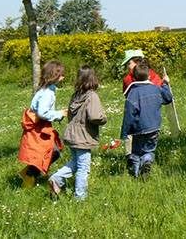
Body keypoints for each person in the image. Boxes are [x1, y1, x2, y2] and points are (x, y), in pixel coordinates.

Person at [48, 66, 107, 199]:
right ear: (93, 78)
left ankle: (57, 179)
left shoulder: (76, 95)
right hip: (84, 135)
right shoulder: (92, 96)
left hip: (72, 134)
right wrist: (104, 119)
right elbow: (95, 117)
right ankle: (80, 196)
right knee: (83, 168)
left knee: (76, 162)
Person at [18, 60, 67, 189]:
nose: (63, 77)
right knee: (52, 152)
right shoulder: (48, 93)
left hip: (39, 127)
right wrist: (59, 114)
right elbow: (43, 113)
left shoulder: (45, 90)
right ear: (54, 75)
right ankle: (29, 175)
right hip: (39, 129)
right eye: (61, 74)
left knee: (49, 152)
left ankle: (29, 173)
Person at [120, 65, 173, 178]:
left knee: (136, 153)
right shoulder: (156, 89)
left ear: (133, 78)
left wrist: (125, 132)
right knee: (149, 150)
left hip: (137, 128)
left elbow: (129, 114)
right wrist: (166, 84)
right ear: (149, 76)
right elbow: (168, 98)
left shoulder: (132, 93)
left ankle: (135, 175)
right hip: (154, 127)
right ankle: (147, 161)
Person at [121, 52, 162, 165]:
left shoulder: (130, 78)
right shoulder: (151, 75)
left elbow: (127, 95)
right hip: (151, 119)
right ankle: (145, 158)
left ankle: (133, 160)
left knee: (134, 137)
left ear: (137, 62)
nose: (128, 66)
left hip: (135, 115)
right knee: (147, 142)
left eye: (129, 63)